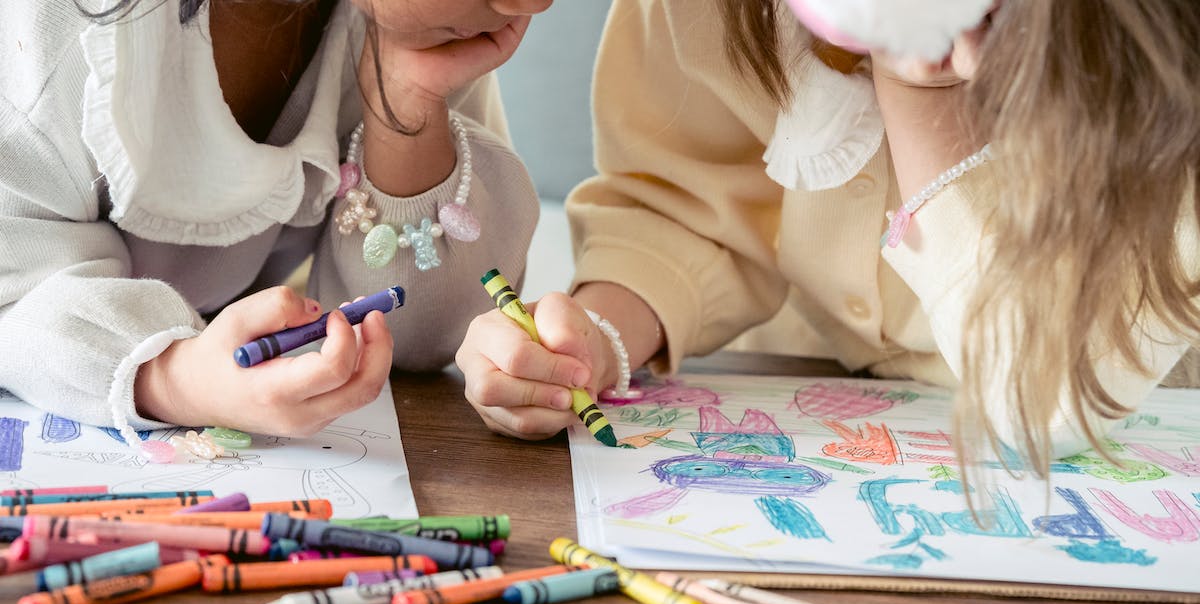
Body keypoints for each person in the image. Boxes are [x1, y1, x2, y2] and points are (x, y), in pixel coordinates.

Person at [456, 0, 1200, 475]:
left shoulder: (1161, 57)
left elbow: (1050, 400)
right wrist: (596, 332)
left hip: (1109, 424)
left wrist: (923, 89)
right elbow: (686, 207)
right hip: (807, 407)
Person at [0, 0, 551, 451]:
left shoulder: (416, 24)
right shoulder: (54, 33)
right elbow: (12, 290)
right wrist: (171, 377)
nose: (533, 5)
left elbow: (421, 340)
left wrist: (405, 107)